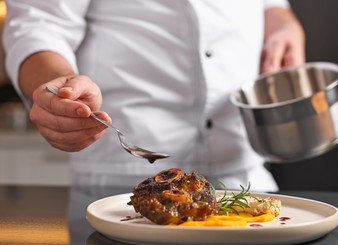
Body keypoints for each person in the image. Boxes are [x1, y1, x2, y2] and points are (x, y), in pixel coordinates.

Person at [3, 0, 305, 191]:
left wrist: (284, 22)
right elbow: (39, 24)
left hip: (244, 176)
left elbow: (267, 5)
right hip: (122, 186)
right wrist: (57, 84)